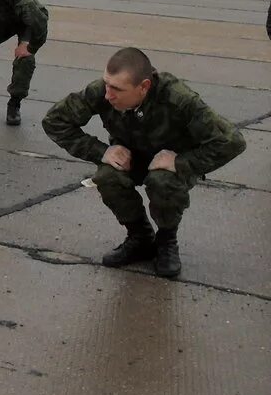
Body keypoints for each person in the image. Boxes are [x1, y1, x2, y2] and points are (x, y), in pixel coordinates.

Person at [42, 47, 245, 278]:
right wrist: (101, 151)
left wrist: (181, 162)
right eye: (107, 84)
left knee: (162, 182)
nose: (108, 95)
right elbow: (54, 121)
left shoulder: (178, 99)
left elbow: (232, 141)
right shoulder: (103, 91)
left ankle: (166, 241)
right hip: (131, 156)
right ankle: (140, 237)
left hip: (169, 165)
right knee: (107, 176)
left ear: (144, 87)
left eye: (117, 89)